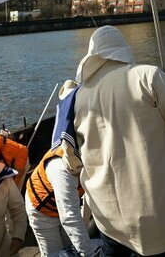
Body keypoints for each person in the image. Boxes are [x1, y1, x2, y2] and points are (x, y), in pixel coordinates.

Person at [72, 26, 165, 256]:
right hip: (155, 215)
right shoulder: (147, 76)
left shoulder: (81, 95)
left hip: (108, 215)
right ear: (122, 49)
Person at [26, 80, 102, 257]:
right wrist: (89, 253)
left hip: (63, 203)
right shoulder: (60, 167)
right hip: (42, 211)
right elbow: (69, 216)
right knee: (55, 253)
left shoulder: (84, 153)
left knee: (72, 243)